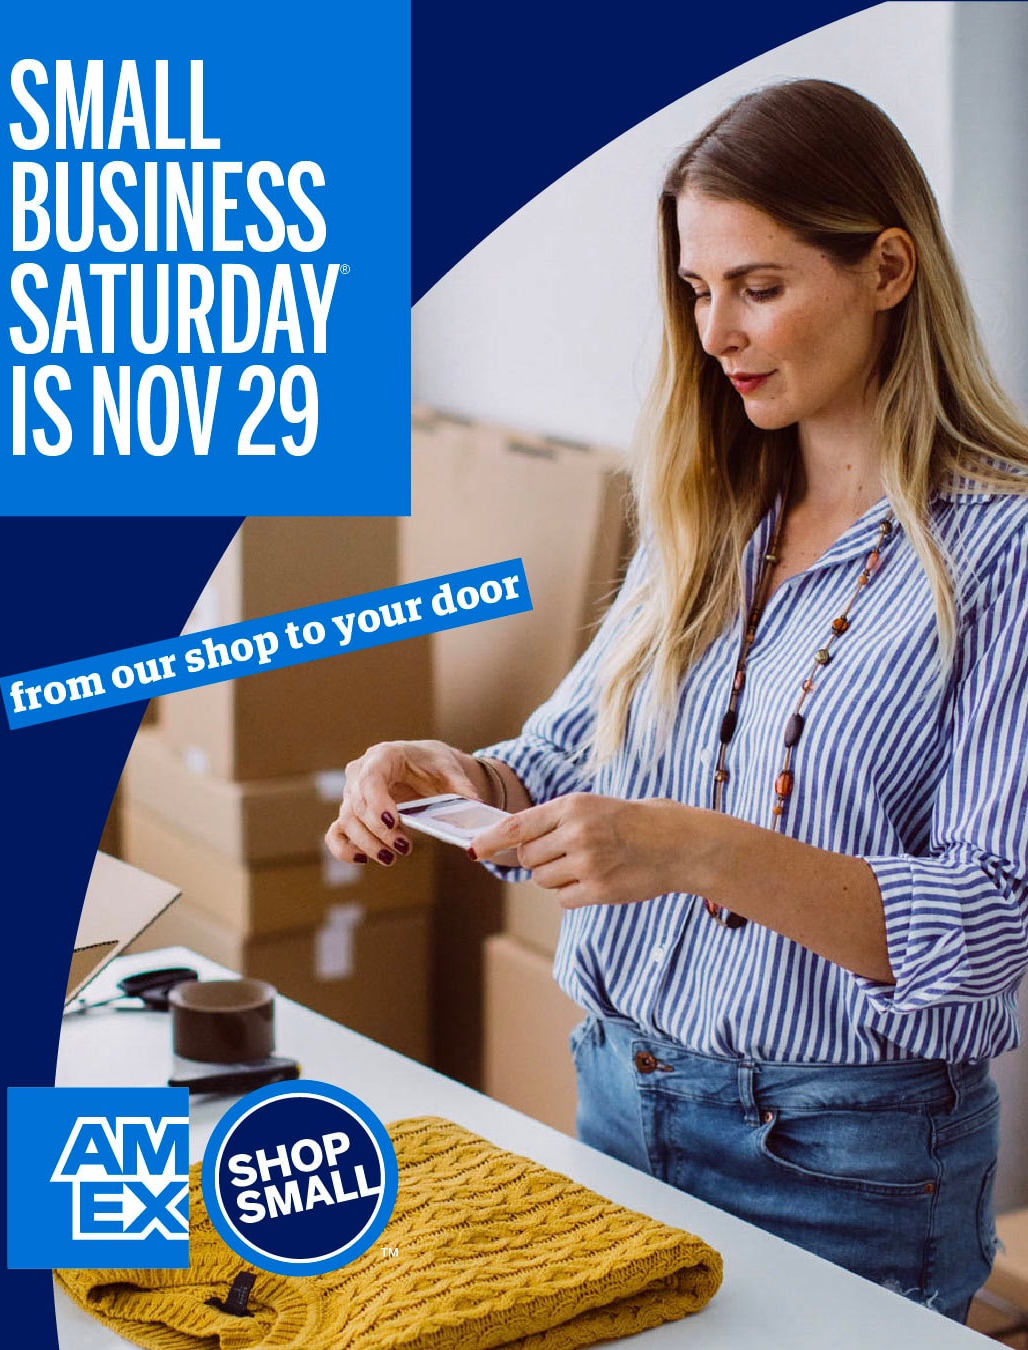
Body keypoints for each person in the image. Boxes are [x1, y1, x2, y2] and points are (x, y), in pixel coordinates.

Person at [326, 79, 1028, 1322]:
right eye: (699, 292)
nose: (717, 332)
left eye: (757, 286)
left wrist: (698, 851)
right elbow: (560, 759)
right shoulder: (706, 515)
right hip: (617, 1096)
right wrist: (461, 779)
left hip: (849, 1164)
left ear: (887, 268)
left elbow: (992, 923)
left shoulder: (1001, 552)